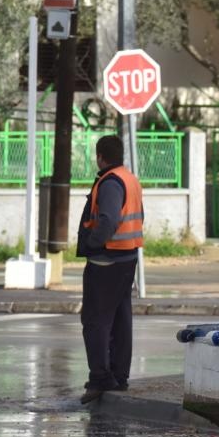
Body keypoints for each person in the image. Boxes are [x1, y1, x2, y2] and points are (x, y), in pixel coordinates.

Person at [76, 134, 144, 405]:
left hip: (107, 260)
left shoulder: (111, 183)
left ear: (100, 156)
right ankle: (118, 375)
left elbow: (108, 220)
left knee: (95, 321)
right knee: (119, 318)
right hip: (127, 257)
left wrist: (93, 244)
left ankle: (101, 377)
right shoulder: (128, 177)